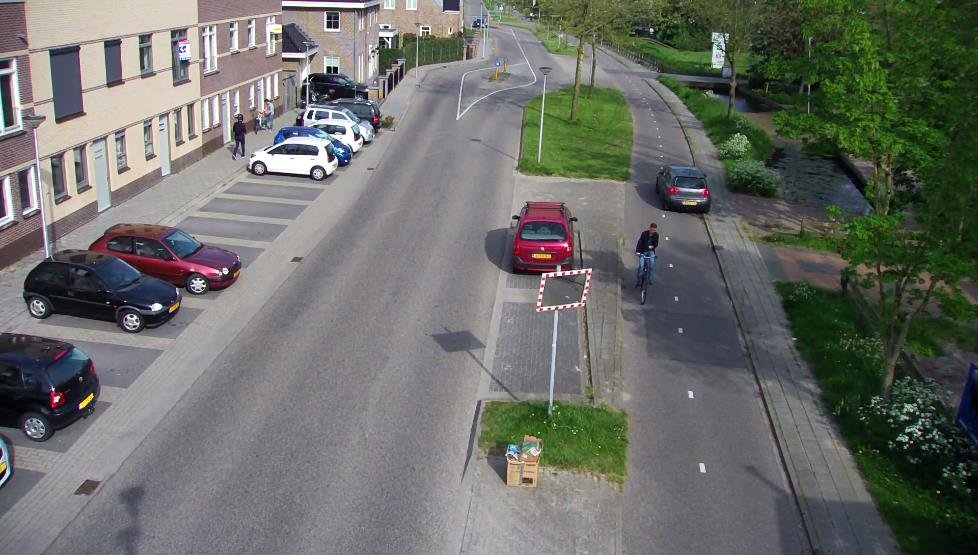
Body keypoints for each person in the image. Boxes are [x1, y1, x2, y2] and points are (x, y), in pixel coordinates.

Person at [634, 222, 659, 287]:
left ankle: (650, 279)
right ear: (649, 228)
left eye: (654, 230)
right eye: (652, 229)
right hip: (643, 251)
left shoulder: (656, 235)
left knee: (651, 263)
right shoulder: (644, 234)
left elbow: (656, 244)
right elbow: (640, 242)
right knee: (641, 266)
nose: (653, 231)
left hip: (651, 251)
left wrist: (653, 246)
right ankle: (638, 281)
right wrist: (637, 251)